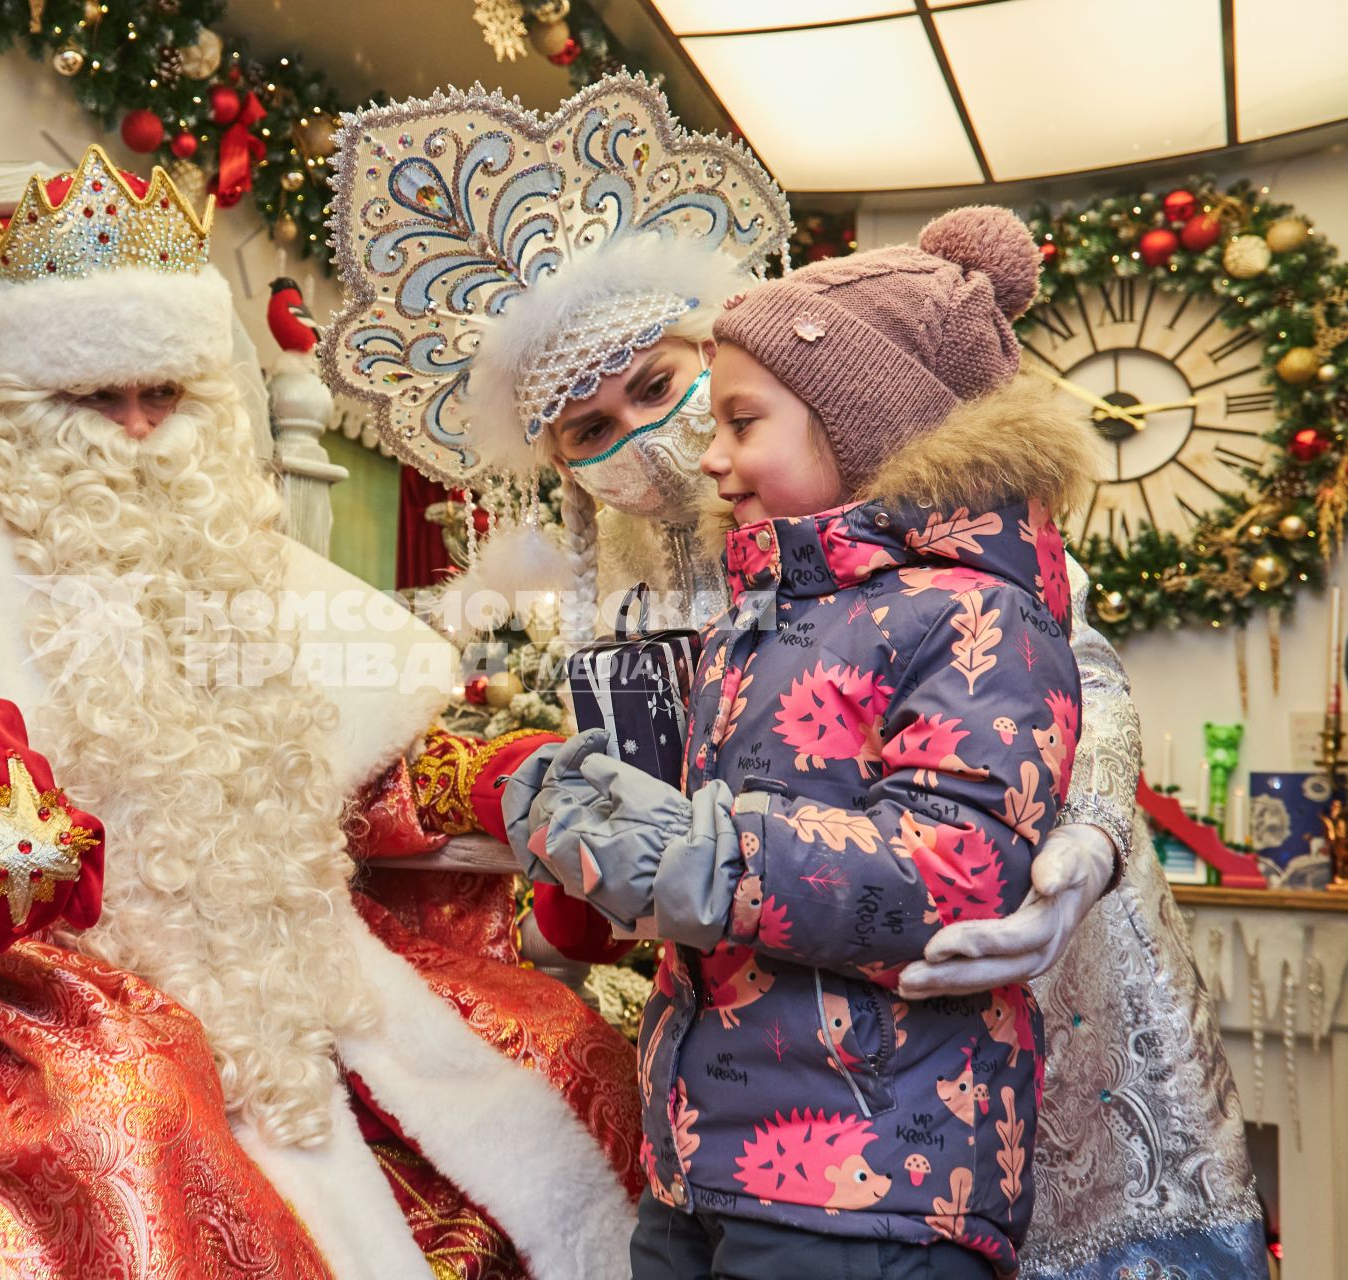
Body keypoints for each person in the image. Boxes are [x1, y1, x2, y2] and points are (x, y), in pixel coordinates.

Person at [0, 145, 642, 1280]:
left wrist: (488, 777)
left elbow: (357, 771)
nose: (139, 426)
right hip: (35, 968)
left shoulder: (262, 570)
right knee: (127, 1099)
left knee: (562, 1039)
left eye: (167, 393)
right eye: (99, 396)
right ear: (24, 399)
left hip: (293, 983)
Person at [321, 76, 1264, 1279]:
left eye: (660, 390)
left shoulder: (919, 532)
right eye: (586, 428)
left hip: (971, 1013)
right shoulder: (631, 588)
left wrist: (1076, 855)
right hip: (756, 1088)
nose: (645, 444)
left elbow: (1062, 688)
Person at [511, 206, 1089, 1276]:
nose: (707, 453)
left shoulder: (979, 615)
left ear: (854, 417)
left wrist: (707, 856)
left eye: (738, 420)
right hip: (707, 1150)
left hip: (870, 1169)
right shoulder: (762, 614)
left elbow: (954, 868)